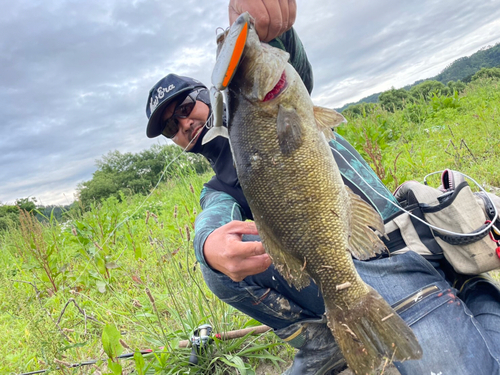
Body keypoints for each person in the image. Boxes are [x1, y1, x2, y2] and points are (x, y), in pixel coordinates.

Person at [145, 1, 500, 374]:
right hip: (354, 270)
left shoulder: (281, 102)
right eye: (171, 127)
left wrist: (272, 29)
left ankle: (472, 287)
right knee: (213, 268)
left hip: (399, 239)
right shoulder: (218, 188)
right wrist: (207, 245)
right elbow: (212, 217)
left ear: (210, 95)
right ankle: (326, 338)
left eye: (186, 106)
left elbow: (293, 67)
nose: (183, 123)